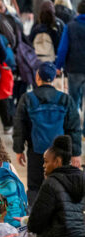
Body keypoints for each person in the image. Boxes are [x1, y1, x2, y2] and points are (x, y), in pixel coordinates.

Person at [13, 62, 81, 204]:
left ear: (37, 77)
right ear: (53, 78)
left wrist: (19, 150)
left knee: (34, 186)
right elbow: (73, 127)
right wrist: (75, 153)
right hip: (60, 153)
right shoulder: (65, 99)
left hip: (36, 151)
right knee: (61, 185)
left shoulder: (27, 98)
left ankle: (34, 217)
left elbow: (19, 125)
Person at [54, 0, 85, 113]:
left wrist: (58, 66)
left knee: (73, 100)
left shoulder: (70, 26)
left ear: (77, 11)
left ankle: (75, 126)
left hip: (74, 68)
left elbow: (63, 49)